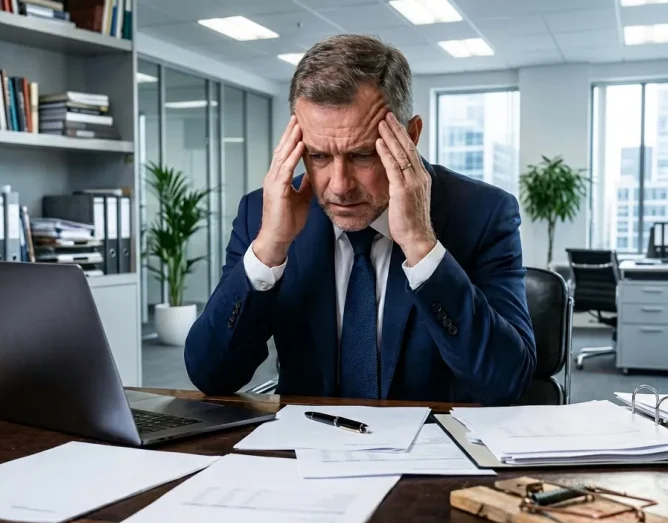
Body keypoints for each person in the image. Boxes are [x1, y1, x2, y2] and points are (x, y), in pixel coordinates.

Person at [184, 34, 535, 406]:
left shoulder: (482, 213)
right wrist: (269, 250)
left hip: (433, 453)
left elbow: (507, 383)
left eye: (363, 155)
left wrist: (421, 246)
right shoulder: (264, 213)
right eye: (318, 156)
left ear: (410, 137)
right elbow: (212, 376)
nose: (339, 186)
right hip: (304, 450)